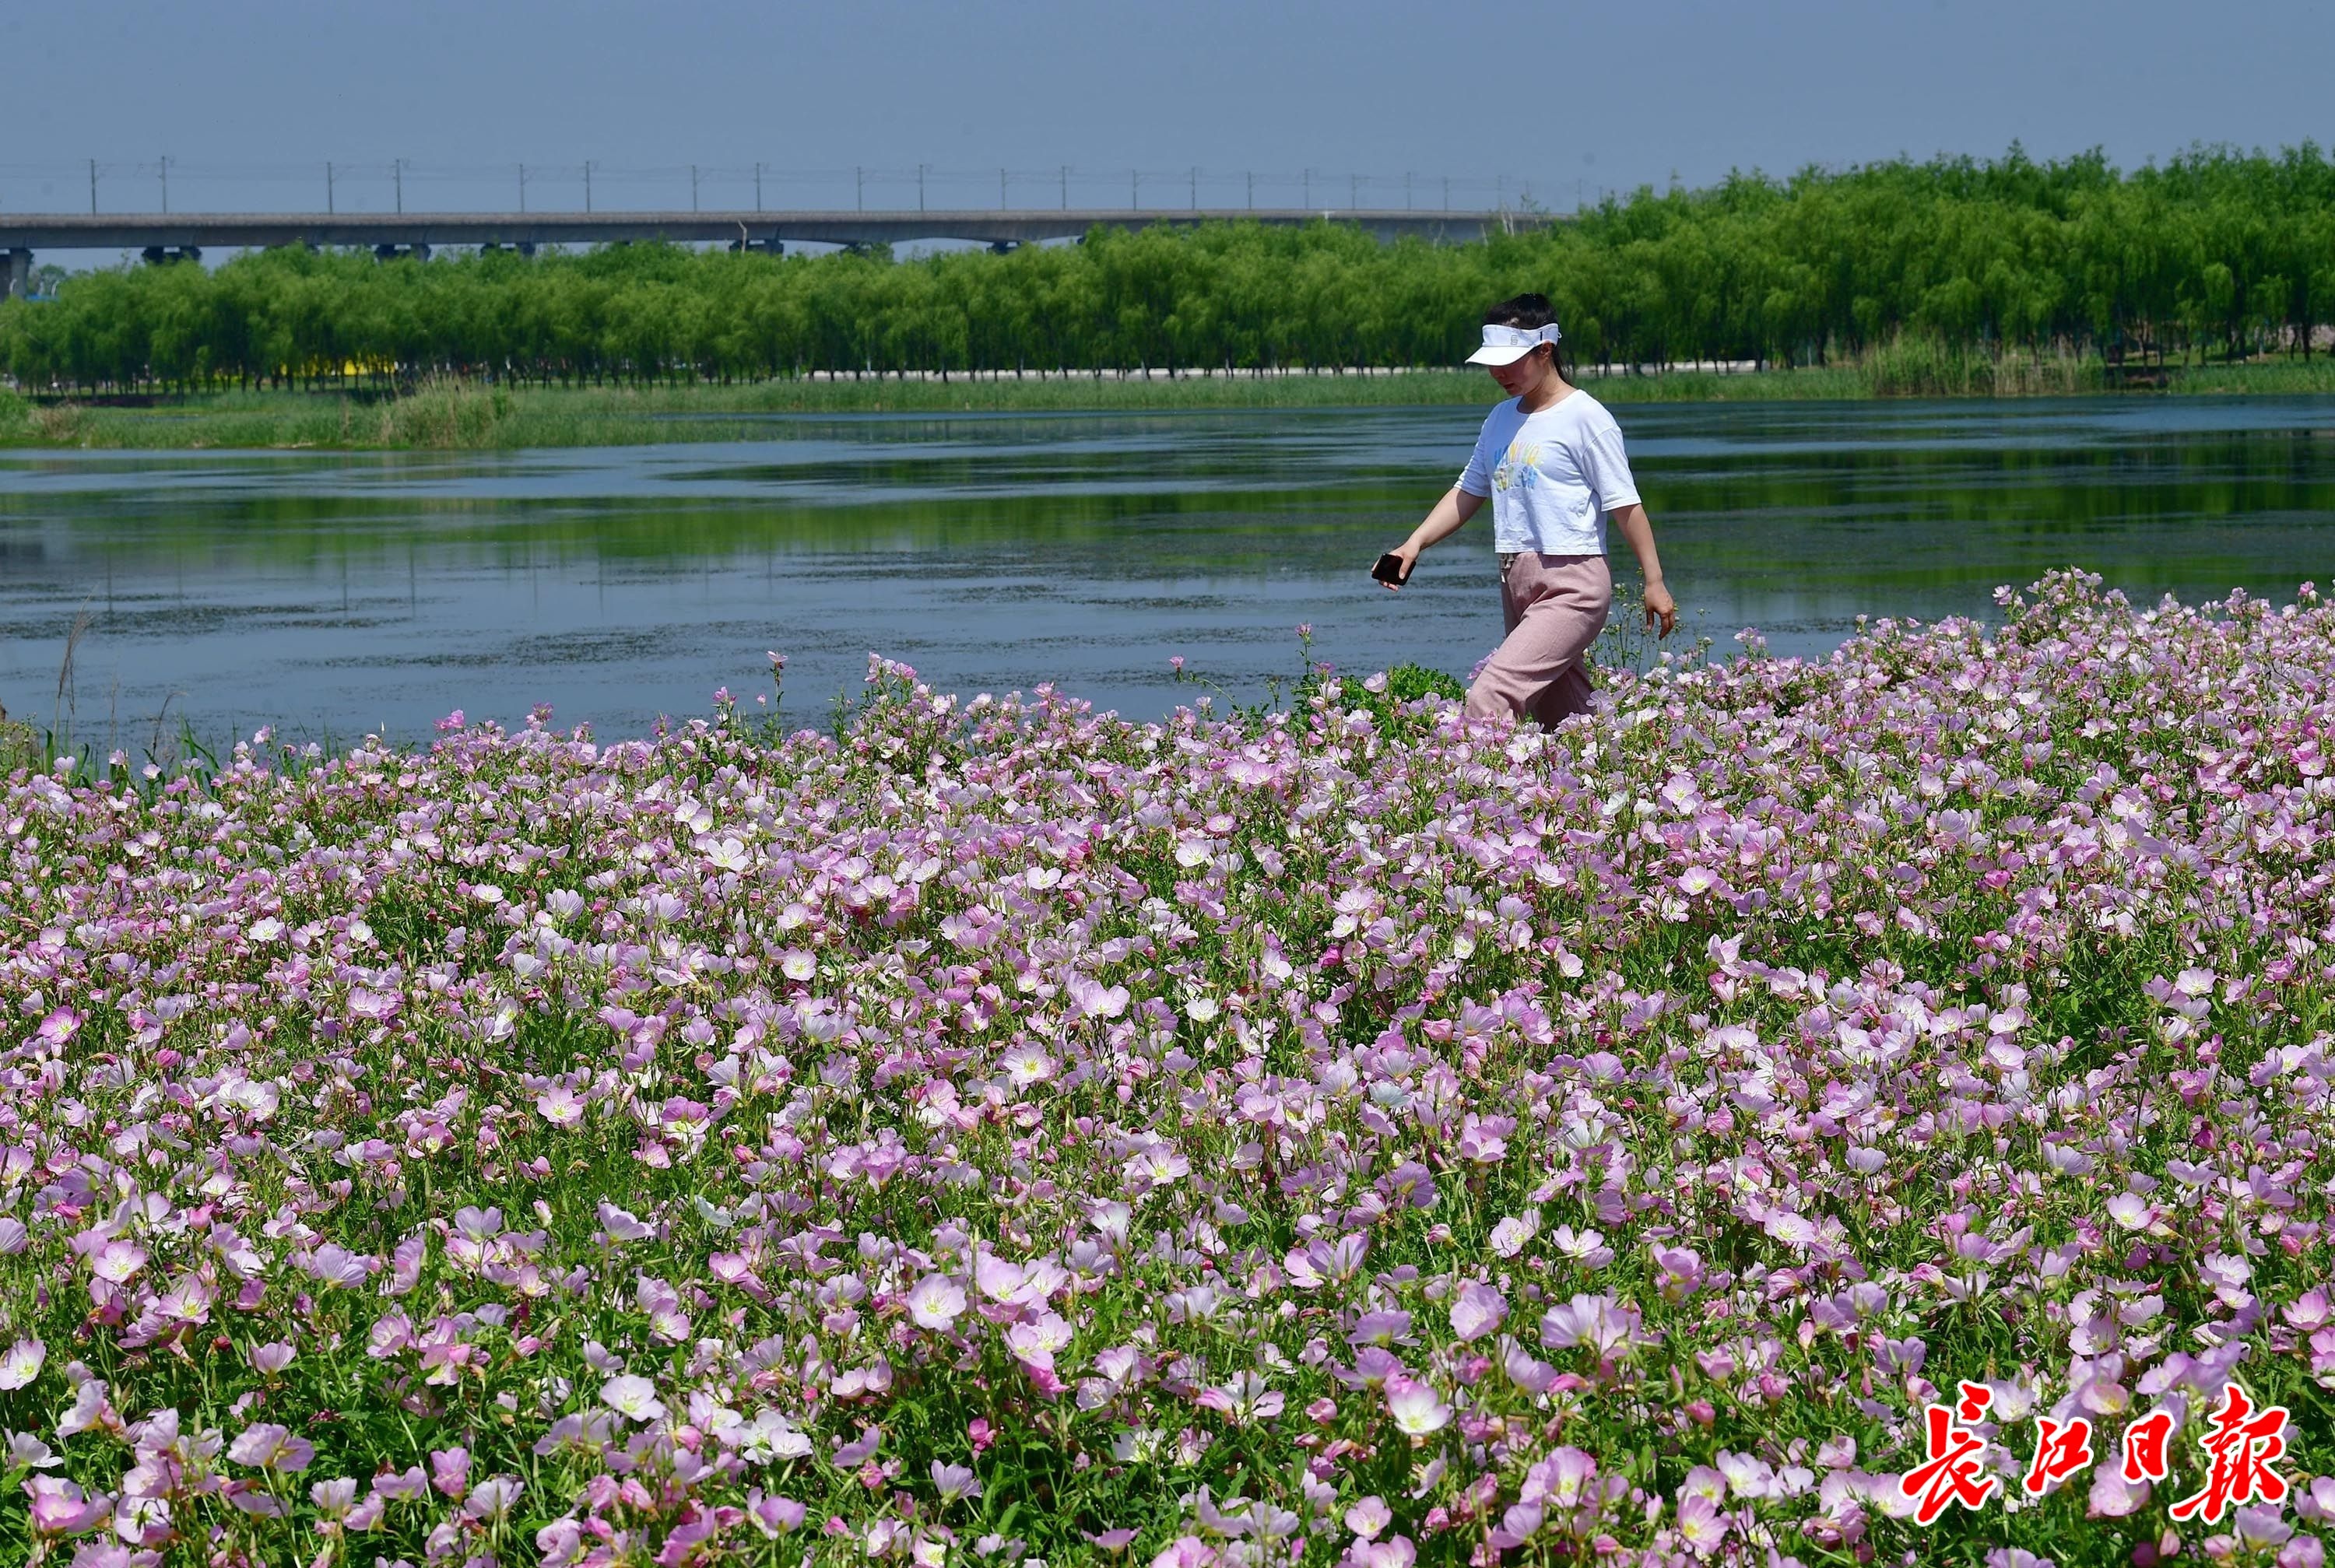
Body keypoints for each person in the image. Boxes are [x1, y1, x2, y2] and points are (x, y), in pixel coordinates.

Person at [1378, 293, 1675, 728]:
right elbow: (1468, 490)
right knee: (1565, 719)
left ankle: (1473, 772)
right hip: (1516, 581)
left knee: (1491, 696)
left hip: (1573, 585)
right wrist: (1414, 544)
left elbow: (1625, 504)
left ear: (1545, 350)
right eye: (1492, 363)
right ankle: (1611, 768)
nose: (1499, 373)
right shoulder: (1500, 418)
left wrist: (1654, 580)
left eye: (1510, 361)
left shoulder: (1586, 417)